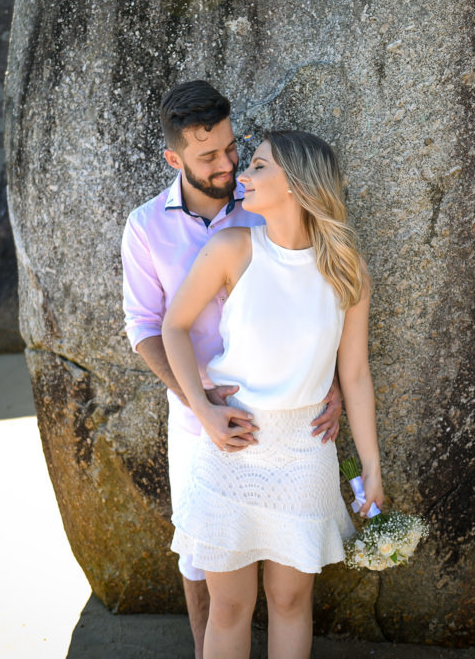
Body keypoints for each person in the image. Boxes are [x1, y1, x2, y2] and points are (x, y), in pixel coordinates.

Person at [120, 81, 342, 659]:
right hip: (195, 420)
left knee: (287, 585)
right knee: (205, 569)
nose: (227, 165)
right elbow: (146, 326)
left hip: (286, 424)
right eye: (207, 157)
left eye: (230, 148)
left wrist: (332, 383)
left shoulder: (263, 200)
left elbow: (317, 296)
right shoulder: (145, 227)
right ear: (174, 160)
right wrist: (199, 404)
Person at [162, 130, 385, 659]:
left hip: (305, 452)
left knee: (290, 601)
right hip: (231, 448)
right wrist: (203, 408)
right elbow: (173, 327)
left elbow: (355, 374)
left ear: (297, 184)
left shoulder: (346, 268)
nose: (243, 174)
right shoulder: (232, 248)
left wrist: (372, 468)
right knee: (229, 607)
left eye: (259, 166)